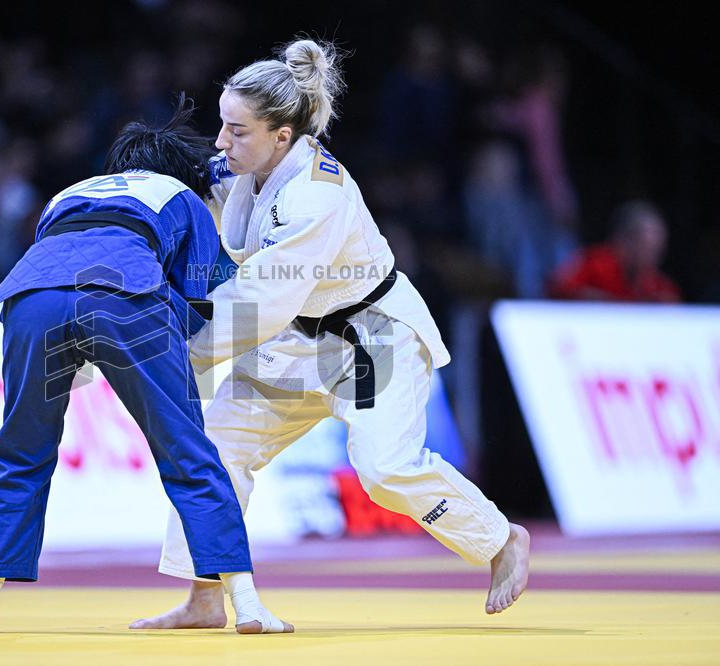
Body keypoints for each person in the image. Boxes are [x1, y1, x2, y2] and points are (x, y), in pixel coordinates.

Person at [131, 40, 530, 630]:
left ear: (281, 136)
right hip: (293, 343)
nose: (220, 142)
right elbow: (187, 193)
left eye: (236, 131)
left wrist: (178, 355)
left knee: (384, 469)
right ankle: (206, 594)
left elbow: (259, 302)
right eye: (222, 125)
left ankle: (500, 538)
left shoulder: (314, 196)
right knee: (216, 447)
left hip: (370, 340)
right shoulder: (248, 167)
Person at [0, 97, 293, 635]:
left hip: (30, 299)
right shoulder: (183, 197)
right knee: (189, 451)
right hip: (124, 296)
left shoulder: (66, 194)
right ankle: (247, 604)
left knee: (19, 449)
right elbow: (202, 301)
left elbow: (58, 261)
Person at [549, 200, 680, 302]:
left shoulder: (656, 284)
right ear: (625, 240)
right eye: (647, 248)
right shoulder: (595, 264)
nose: (653, 256)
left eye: (657, 249)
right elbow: (558, 289)